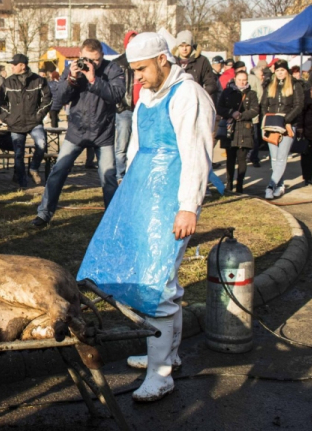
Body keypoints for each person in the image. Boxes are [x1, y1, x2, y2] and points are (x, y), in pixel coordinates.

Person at [78, 33, 214, 402]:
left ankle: (161, 374)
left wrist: (188, 205)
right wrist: (128, 194)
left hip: (171, 198)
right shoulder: (147, 98)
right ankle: (167, 354)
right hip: (144, 196)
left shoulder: (188, 96)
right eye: (134, 71)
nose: (137, 77)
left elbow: (197, 154)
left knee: (158, 283)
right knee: (156, 279)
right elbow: (137, 147)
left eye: (141, 69)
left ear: (163, 60)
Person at [32, 39, 124, 228]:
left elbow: (117, 95)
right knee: (58, 171)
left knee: (108, 177)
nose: (91, 64)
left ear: (102, 57)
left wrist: (92, 79)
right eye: (87, 59)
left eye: (96, 60)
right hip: (77, 130)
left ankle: (112, 220)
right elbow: (60, 99)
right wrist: (71, 79)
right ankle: (44, 214)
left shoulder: (113, 69)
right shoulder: (74, 68)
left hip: (103, 131)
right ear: (80, 55)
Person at [0, 53, 52, 188]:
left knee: (42, 143)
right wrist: (8, 118)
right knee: (18, 154)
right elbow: (0, 104)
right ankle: (22, 183)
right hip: (15, 124)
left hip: (34, 122)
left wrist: (38, 116)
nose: (11, 67)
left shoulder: (39, 80)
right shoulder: (8, 82)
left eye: (14, 64)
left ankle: (33, 168)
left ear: (22, 66)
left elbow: (47, 99)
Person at [260, 59, 304, 200]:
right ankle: (280, 184)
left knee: (281, 157)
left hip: (287, 125)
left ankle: (270, 186)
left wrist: (286, 120)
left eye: (282, 70)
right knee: (274, 158)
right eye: (278, 70)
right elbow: (264, 105)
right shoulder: (270, 85)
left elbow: (298, 105)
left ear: (287, 71)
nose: (280, 73)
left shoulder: (295, 85)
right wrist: (268, 119)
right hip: (272, 125)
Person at [217, 71, 259, 193]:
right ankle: (229, 184)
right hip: (230, 128)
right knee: (230, 158)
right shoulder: (227, 92)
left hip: (244, 128)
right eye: (240, 79)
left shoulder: (251, 94)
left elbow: (255, 109)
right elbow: (219, 108)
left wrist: (242, 115)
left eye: (244, 80)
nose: (242, 82)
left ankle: (240, 185)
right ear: (235, 79)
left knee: (242, 158)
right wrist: (231, 112)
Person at [112, 31, 139, 181]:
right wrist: (120, 106)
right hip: (125, 109)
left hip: (141, 108)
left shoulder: (144, 61)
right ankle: (120, 175)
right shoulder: (118, 63)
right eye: (131, 41)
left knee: (139, 144)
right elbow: (114, 87)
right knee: (122, 145)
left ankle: (134, 174)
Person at [173, 30, 218, 101]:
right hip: (176, 100)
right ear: (177, 46)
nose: (184, 49)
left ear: (191, 45)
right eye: (181, 46)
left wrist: (200, 95)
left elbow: (211, 84)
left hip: (196, 100)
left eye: (187, 45)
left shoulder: (202, 61)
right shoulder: (171, 61)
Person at [298, 69, 312, 186]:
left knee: (310, 153)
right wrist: (300, 126)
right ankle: (308, 177)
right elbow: (302, 111)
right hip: (309, 126)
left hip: (311, 125)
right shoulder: (308, 93)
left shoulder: (308, 92)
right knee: (307, 152)